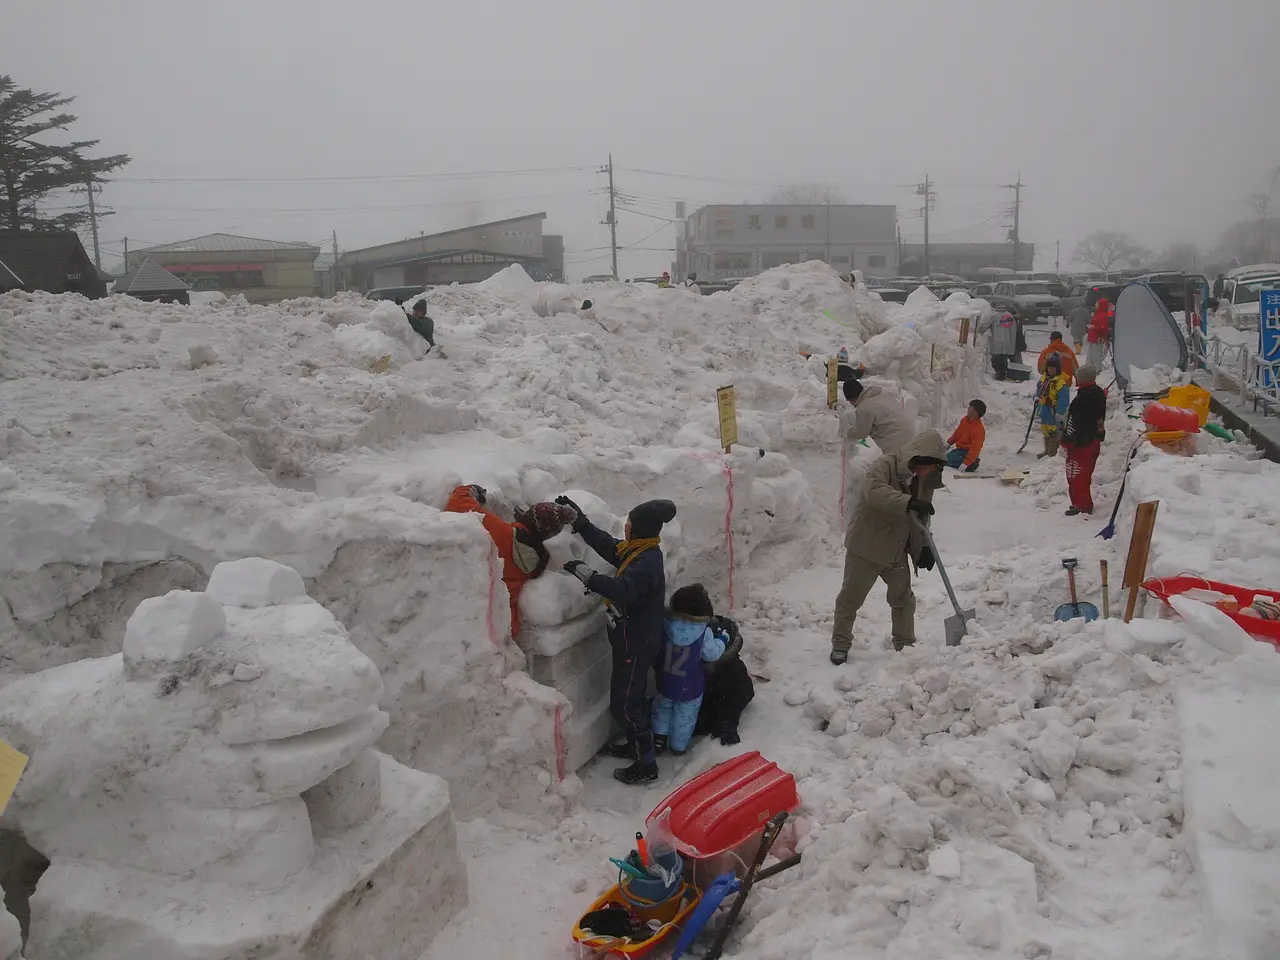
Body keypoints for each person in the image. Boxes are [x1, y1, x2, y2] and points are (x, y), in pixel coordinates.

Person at [559, 496, 677, 785]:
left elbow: (623, 590)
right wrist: (581, 523)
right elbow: (610, 547)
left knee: (624, 704)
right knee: (629, 699)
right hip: (635, 639)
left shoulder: (646, 562)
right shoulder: (640, 550)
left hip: (636, 644)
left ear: (639, 530)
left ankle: (646, 763)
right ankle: (637, 747)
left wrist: (589, 576)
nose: (625, 528)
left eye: (629, 524)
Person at [830, 430, 947, 664]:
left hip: (895, 549)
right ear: (918, 458)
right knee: (850, 599)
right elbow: (874, 492)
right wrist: (908, 501)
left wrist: (924, 546)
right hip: (867, 547)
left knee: (903, 599)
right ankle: (840, 644)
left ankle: (905, 645)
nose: (930, 472)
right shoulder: (885, 465)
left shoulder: (924, 481)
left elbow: (921, 518)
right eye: (929, 466)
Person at [443, 486, 576, 637]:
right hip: (488, 630)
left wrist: (472, 490)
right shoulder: (533, 563)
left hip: (459, 617)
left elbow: (458, 505)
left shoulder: (502, 533)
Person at [650, 584, 726, 756]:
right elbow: (712, 654)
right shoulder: (703, 632)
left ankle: (659, 738)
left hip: (666, 680)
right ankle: (678, 746)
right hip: (690, 686)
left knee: (662, 708)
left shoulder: (665, 625)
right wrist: (722, 639)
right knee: (685, 717)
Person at [694, 613, 754, 746]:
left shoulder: (733, 673)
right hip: (703, 695)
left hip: (723, 700)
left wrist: (728, 722)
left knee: (703, 724)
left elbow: (739, 696)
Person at [1061, 365, 1107, 516]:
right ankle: (1080, 503)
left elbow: (1078, 424)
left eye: (1078, 376)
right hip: (1093, 440)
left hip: (1082, 444)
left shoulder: (1083, 399)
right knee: (1083, 475)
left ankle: (1082, 505)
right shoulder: (1097, 393)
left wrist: (1068, 440)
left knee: (1076, 475)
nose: (1076, 378)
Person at [839, 378, 915, 456]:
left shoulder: (864, 407)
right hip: (909, 432)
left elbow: (860, 433)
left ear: (852, 398)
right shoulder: (882, 393)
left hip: (895, 440)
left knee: (893, 464)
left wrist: (844, 433)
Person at [1036, 354, 1072, 459]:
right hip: (1043, 411)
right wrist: (1036, 398)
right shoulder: (1044, 379)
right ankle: (1047, 450)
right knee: (1045, 430)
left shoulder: (1061, 383)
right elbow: (1038, 391)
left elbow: (1063, 400)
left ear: (1058, 369)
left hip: (1053, 412)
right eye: (1049, 367)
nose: (1051, 369)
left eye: (1053, 367)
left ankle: (1053, 454)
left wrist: (1060, 413)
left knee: (1054, 433)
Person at [945, 399, 987, 472]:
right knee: (947, 457)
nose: (967, 409)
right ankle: (969, 462)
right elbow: (958, 433)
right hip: (959, 450)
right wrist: (949, 443)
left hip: (967, 452)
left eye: (970, 408)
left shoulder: (978, 429)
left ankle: (972, 463)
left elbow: (975, 448)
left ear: (975, 412)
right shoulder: (965, 420)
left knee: (946, 459)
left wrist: (966, 462)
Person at [978, 309, 1019, 380]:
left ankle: (999, 375)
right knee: (1004, 358)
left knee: (998, 360)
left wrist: (977, 331)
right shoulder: (1010, 315)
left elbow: (983, 327)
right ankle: (1003, 374)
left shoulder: (994, 315)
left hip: (997, 341)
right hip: (1008, 341)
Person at [1086, 298, 1110, 371]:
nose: (1095, 305)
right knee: (1090, 355)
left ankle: (1096, 369)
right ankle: (1089, 368)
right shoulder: (1097, 314)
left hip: (1097, 338)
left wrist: (1094, 327)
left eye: (1097, 304)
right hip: (1092, 337)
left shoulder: (1103, 315)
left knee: (1096, 355)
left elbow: (1103, 327)